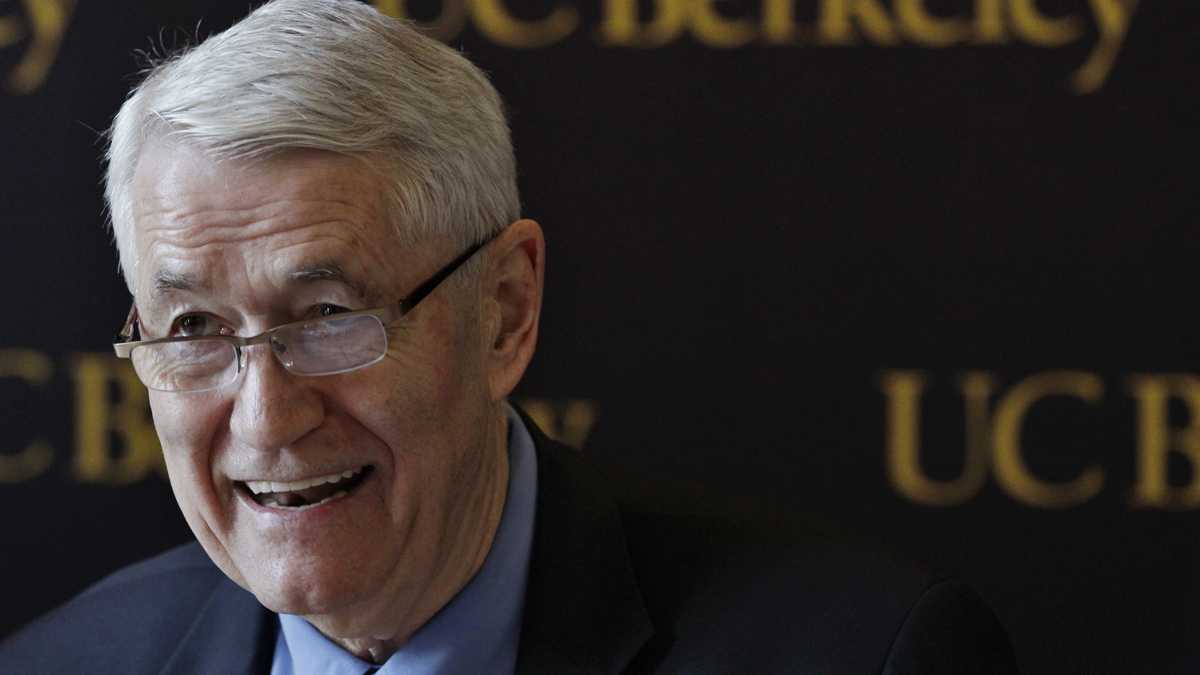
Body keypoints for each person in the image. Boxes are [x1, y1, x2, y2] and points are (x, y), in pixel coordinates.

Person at [0, 0, 1019, 672]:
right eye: (196, 329)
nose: (266, 419)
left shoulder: (870, 656)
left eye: (327, 317)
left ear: (506, 311)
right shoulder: (61, 663)